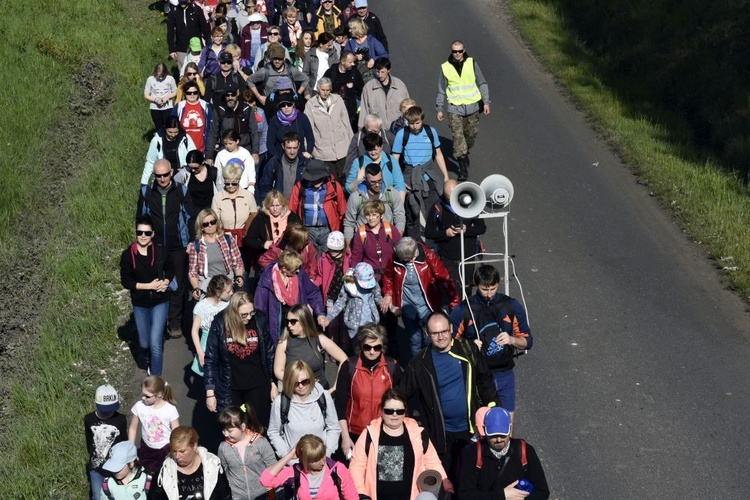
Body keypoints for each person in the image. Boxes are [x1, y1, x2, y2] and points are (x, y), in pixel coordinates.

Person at [400, 311, 500, 479]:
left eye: (444, 331)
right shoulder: (419, 364)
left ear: (451, 329)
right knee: (446, 481)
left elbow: (485, 381)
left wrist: (493, 409)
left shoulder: (468, 350)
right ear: (427, 333)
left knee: (473, 478)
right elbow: (401, 395)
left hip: (471, 431)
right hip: (441, 435)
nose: (440, 337)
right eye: (435, 333)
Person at [451, 264, 532, 420]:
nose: (489, 294)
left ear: (498, 284)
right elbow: (448, 345)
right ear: (476, 286)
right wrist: (469, 346)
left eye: (492, 289)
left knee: (506, 423)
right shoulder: (463, 310)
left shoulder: (510, 305)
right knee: (482, 424)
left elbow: (528, 341)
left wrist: (511, 339)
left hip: (505, 373)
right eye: (484, 289)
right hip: (478, 375)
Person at [349, 388, 450, 500]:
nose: (394, 415)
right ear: (381, 410)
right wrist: (360, 493)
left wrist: (447, 486)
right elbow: (357, 467)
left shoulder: (418, 434)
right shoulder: (369, 434)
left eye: (399, 411)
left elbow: (433, 463)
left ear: (405, 411)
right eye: (389, 411)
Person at [137, 159, 196, 339]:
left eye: (165, 174)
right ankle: (159, 326)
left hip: (178, 246)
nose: (162, 179)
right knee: (156, 285)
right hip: (155, 246)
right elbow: (141, 218)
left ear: (171, 172)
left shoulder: (181, 191)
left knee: (178, 286)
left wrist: (192, 241)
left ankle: (175, 323)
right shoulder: (147, 192)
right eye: (158, 175)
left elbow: (191, 218)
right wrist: (141, 243)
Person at [204, 292, 276, 425]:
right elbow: (211, 358)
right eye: (244, 315)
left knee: (257, 426)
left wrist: (273, 383)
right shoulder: (220, 323)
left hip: (257, 385)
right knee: (233, 428)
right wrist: (210, 392)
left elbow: (270, 353)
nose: (249, 317)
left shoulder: (259, 319)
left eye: (251, 313)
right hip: (230, 388)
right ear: (234, 312)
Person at [382, 237, 460, 357]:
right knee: (415, 341)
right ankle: (419, 366)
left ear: (413, 254)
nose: (404, 261)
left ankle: (433, 362)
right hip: (408, 308)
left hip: (428, 306)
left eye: (406, 259)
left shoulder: (428, 256)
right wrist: (388, 294)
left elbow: (444, 278)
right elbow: (388, 277)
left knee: (431, 338)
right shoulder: (395, 258)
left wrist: (454, 303)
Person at [334, 324, 402, 459]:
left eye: (377, 347)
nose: (372, 351)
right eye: (367, 347)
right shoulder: (348, 366)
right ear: (360, 346)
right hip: (356, 434)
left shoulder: (392, 367)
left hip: (386, 432)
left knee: (388, 475)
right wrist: (345, 437)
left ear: (383, 347)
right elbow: (340, 406)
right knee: (355, 477)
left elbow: (401, 404)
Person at [120, 215, 175, 376]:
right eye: (139, 233)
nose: (143, 236)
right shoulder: (128, 255)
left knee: (155, 343)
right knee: (144, 343)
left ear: (152, 234)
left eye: (146, 233)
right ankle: (147, 356)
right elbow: (126, 281)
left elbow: (171, 268)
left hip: (160, 301)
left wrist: (166, 281)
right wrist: (148, 286)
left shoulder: (160, 251)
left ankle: (155, 380)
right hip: (140, 303)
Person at [458, 407, 550, 499]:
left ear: (510, 429)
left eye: (502, 435)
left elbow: (542, 492)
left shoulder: (525, 450)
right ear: (484, 430)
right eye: (493, 435)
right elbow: (464, 495)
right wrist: (502, 496)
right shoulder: (471, 453)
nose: (498, 440)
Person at [391, 106, 450, 239]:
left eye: (417, 123)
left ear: (422, 120)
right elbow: (395, 159)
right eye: (411, 123)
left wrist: (445, 176)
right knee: (413, 212)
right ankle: (415, 243)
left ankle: (433, 241)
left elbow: (438, 154)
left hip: (429, 175)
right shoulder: (402, 134)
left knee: (433, 210)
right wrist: (399, 181)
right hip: (410, 176)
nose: (415, 127)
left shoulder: (430, 131)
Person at [436, 40, 491, 181]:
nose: (458, 54)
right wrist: (439, 108)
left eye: (460, 51)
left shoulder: (472, 63)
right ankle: (462, 169)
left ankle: (465, 152)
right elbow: (441, 90)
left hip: (472, 107)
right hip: (455, 108)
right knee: (458, 138)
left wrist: (486, 102)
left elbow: (482, 82)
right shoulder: (445, 67)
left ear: (464, 50)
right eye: (455, 51)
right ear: (451, 51)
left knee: (470, 136)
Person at [425, 179, 487, 296]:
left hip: (468, 256)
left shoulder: (471, 204)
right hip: (448, 258)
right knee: (453, 292)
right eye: (448, 198)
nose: (451, 200)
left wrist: (466, 230)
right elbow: (429, 233)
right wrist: (445, 233)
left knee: (467, 289)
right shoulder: (438, 207)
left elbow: (482, 228)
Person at [267, 361, 341, 459]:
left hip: (321, 461)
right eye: (295, 383)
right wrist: (287, 456)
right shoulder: (281, 402)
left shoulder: (324, 397)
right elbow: (274, 432)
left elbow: (333, 428)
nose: (301, 386)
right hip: (294, 463)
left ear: (311, 378)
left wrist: (327, 453)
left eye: (304, 381)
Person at [254, 249, 325, 343]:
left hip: (297, 320)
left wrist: (320, 313)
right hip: (277, 323)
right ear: (284, 268)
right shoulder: (267, 280)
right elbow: (260, 307)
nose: (298, 270)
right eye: (295, 269)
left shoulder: (300, 274)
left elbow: (313, 292)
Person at [260, 434, 359, 499]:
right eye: (315, 460)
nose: (322, 462)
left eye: (322, 456)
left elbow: (352, 497)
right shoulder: (295, 472)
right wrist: (289, 456)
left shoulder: (337, 470)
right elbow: (265, 480)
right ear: (304, 460)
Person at [147, 426, 233, 499]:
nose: (177, 456)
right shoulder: (165, 471)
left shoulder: (213, 465)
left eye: (182, 451)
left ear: (194, 446)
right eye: (174, 451)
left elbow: (226, 496)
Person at [274, 304, 347, 388]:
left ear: (303, 320)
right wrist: (298, 380)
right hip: (296, 393)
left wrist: (335, 387)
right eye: (287, 321)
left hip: (320, 391)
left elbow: (343, 359)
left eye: (293, 321)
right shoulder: (284, 343)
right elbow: (278, 371)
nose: (289, 325)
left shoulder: (320, 339)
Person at [287, 159, 347, 254]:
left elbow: (342, 209)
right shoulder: (299, 187)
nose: (316, 181)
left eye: (319, 178)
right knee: (310, 260)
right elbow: (291, 211)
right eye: (312, 178)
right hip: (307, 230)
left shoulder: (334, 186)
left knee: (327, 259)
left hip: (327, 229)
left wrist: (336, 226)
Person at [217, 406, 277, 500]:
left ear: (242, 426)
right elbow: (223, 472)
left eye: (229, 430)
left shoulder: (260, 442)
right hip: (237, 496)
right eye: (223, 430)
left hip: (262, 494)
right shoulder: (223, 447)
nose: (225, 434)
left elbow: (273, 467)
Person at [187, 208, 246, 298]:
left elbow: (237, 262)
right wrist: (196, 288)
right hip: (207, 287)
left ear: (217, 222)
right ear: (201, 227)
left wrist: (239, 276)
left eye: (213, 222)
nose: (210, 225)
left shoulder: (228, 240)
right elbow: (193, 271)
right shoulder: (195, 245)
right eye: (206, 224)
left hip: (227, 285)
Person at [127, 376, 180, 476]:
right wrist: (131, 449)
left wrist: (176, 451)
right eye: (142, 394)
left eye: (147, 396)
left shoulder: (170, 410)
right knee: (147, 473)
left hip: (166, 449)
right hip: (147, 448)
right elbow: (133, 428)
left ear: (159, 394)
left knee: (166, 474)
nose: (143, 398)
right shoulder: (139, 406)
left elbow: (177, 433)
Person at [343, 163, 405, 246]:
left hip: (387, 241)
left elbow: (400, 216)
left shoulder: (392, 193)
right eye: (373, 182)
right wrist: (348, 245)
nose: (377, 185)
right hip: (364, 243)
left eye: (380, 181)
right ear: (365, 178)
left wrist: (397, 238)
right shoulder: (355, 197)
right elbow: (349, 222)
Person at [304, 78, 353, 182]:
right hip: (323, 151)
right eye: (323, 90)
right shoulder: (310, 105)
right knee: (331, 182)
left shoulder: (338, 100)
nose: (325, 92)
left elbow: (346, 122)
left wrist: (351, 143)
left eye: (328, 90)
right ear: (318, 89)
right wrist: (307, 149)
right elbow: (308, 129)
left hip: (341, 148)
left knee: (347, 180)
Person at [85, 385, 128, 500]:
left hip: (117, 467)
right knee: (97, 495)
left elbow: (125, 441)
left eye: (111, 408)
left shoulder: (121, 419)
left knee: (118, 495)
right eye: (105, 409)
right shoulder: (89, 419)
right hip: (96, 468)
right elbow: (89, 441)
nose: (109, 412)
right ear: (96, 403)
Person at [243, 190, 302, 271]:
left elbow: (301, 236)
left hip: (289, 259)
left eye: (278, 205)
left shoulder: (292, 217)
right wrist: (263, 244)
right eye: (272, 206)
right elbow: (248, 240)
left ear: (283, 205)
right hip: (268, 260)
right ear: (267, 206)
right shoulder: (261, 218)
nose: (275, 209)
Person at [206, 81, 261, 165]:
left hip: (244, 150)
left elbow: (254, 132)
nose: (230, 97)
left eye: (233, 94)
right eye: (227, 95)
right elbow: (213, 134)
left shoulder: (246, 110)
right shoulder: (219, 111)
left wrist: (255, 152)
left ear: (238, 93)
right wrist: (209, 156)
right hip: (225, 151)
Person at [325, 262, 384, 340]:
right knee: (356, 348)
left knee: (368, 347)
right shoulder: (349, 286)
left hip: (371, 323)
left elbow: (378, 298)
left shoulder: (373, 284)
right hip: (355, 325)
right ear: (355, 277)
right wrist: (329, 317)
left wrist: (387, 305)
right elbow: (340, 303)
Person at [349, 200, 401, 286]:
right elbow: (356, 257)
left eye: (374, 215)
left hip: (391, 275)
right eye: (368, 215)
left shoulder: (390, 229)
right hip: (369, 278)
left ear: (381, 215)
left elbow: (400, 250)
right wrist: (353, 276)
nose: (371, 218)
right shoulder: (361, 233)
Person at [315, 231, 352, 352]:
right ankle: (333, 349)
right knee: (332, 324)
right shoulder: (324, 259)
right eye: (331, 250)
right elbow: (319, 275)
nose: (333, 253)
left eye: (336, 250)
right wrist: (314, 284)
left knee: (345, 324)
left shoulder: (348, 259)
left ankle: (344, 349)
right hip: (331, 297)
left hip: (345, 297)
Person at [190, 274, 234, 377]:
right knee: (209, 377)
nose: (232, 292)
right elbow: (194, 331)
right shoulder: (202, 306)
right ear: (218, 293)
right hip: (208, 345)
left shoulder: (229, 304)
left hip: (226, 342)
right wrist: (200, 352)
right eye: (228, 291)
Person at [211, 162, 259, 250]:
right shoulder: (217, 198)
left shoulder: (248, 196)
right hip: (225, 239)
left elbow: (254, 216)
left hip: (244, 238)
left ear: (239, 180)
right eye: (227, 183)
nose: (230, 186)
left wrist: (247, 231)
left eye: (234, 183)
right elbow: (215, 221)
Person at [345, 131, 404, 198]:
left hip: (388, 200)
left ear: (381, 147)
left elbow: (399, 184)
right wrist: (358, 180)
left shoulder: (390, 160)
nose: (373, 153)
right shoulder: (358, 162)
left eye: (375, 149)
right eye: (370, 150)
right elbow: (348, 189)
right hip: (367, 203)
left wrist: (400, 206)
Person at [141, 117, 197, 185]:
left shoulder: (186, 138)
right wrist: (144, 183)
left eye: (176, 132)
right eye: (170, 132)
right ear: (165, 129)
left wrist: (186, 167)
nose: (173, 135)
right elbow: (150, 162)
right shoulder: (157, 140)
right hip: (163, 177)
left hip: (182, 177)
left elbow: (194, 157)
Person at [266, 84, 315, 159]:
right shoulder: (275, 120)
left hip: (300, 158)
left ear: (293, 104)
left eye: (289, 104)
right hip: (281, 159)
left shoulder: (302, 118)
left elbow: (310, 139)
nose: (286, 107)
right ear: (279, 107)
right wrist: (277, 158)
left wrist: (308, 152)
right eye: (283, 105)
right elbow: (270, 143)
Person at [257, 132, 309, 201]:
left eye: (295, 148)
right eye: (289, 148)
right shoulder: (274, 163)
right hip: (279, 207)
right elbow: (265, 186)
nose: (292, 152)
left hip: (298, 207)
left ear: (299, 146)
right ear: (283, 146)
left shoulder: (305, 164)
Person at [358, 58, 407, 129]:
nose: (380, 75)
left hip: (397, 130)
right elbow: (364, 111)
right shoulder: (368, 88)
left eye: (382, 72)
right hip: (377, 131)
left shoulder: (400, 86)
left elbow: (408, 108)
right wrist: (361, 130)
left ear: (388, 70)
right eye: (378, 72)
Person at [323, 50, 363, 132]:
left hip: (350, 112)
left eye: (353, 61)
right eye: (350, 62)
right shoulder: (330, 73)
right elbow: (322, 88)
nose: (353, 64)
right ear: (342, 62)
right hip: (333, 111)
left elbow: (362, 90)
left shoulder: (355, 73)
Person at [167, 0, 211, 69]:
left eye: (184, 2)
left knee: (198, 71)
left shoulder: (196, 9)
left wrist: (209, 45)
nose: (183, 4)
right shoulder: (174, 12)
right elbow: (170, 32)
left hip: (197, 48)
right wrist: (172, 49)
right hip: (181, 49)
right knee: (184, 73)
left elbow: (205, 29)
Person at [174, 80, 213, 154]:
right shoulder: (179, 107)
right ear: (185, 94)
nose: (192, 95)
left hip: (201, 149)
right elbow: (171, 125)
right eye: (189, 93)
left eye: (195, 92)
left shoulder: (206, 106)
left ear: (198, 93)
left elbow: (212, 127)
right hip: (183, 149)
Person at [344, 18, 387, 82]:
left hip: (371, 75)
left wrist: (374, 59)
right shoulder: (350, 42)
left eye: (351, 28)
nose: (349, 31)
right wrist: (354, 57)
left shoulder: (372, 41)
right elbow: (344, 58)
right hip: (355, 75)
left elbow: (385, 55)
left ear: (357, 28)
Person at [302, 33, 338, 99]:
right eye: (328, 45)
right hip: (315, 90)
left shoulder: (333, 54)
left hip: (330, 91)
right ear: (321, 44)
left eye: (331, 45)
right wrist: (307, 93)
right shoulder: (310, 55)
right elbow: (305, 75)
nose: (330, 47)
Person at [144, 63, 178, 132]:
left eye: (162, 76)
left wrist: (168, 97)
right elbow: (146, 94)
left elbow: (175, 92)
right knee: (159, 127)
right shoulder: (150, 79)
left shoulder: (170, 79)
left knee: (168, 126)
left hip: (167, 107)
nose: (160, 78)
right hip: (155, 107)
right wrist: (155, 100)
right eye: (158, 75)